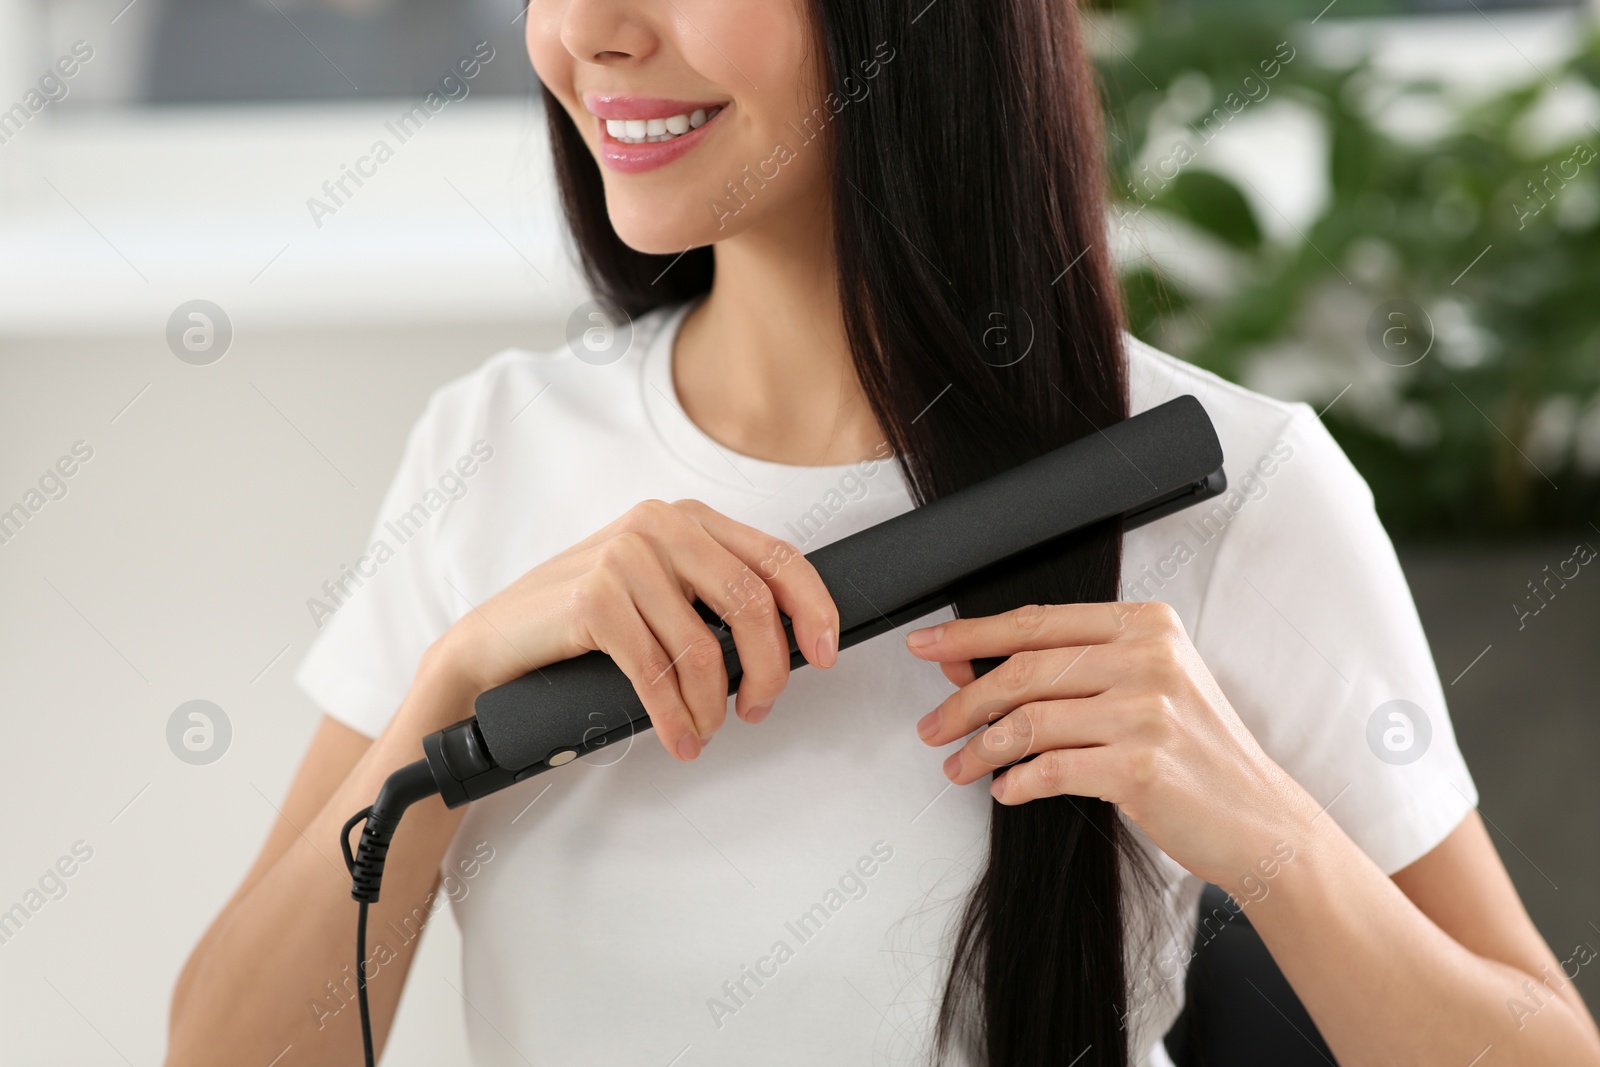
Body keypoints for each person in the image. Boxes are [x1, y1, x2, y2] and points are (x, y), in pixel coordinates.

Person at [166, 1, 1600, 1065]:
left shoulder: (1235, 486)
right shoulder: (488, 453)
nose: (594, 33)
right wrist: (450, 693)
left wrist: (1267, 833)